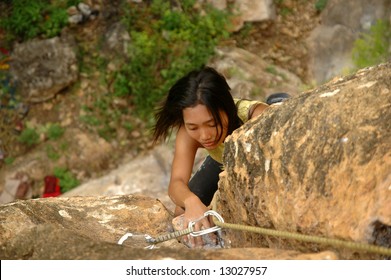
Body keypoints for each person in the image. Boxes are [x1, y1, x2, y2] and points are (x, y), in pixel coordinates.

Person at [153, 66, 289, 246]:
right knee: (182, 211)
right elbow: (176, 183)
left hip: (251, 158)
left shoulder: (255, 118)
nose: (204, 136)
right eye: (193, 127)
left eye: (211, 123)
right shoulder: (187, 132)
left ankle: (278, 102)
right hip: (223, 158)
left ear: (226, 108)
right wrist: (191, 201)